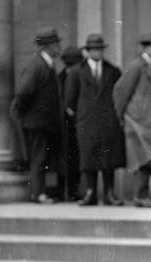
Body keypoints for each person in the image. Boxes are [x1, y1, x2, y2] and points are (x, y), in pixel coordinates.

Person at [65, 34, 126, 206]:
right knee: (88, 156)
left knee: (109, 157)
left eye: (100, 49)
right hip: (87, 121)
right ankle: (90, 192)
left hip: (108, 120)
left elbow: (120, 95)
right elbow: (69, 99)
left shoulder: (112, 71)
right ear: (88, 51)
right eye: (94, 49)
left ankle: (109, 192)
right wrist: (81, 114)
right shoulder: (77, 71)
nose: (97, 52)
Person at [112, 33, 151, 207]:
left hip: (148, 122)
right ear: (147, 48)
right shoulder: (137, 66)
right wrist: (124, 115)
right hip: (138, 122)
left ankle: (143, 195)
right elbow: (120, 91)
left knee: (149, 159)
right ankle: (140, 196)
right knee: (142, 159)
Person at [11, 27, 64, 204]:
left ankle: (40, 192)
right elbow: (23, 92)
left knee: (42, 158)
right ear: (48, 46)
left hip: (44, 122)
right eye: (56, 43)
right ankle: (37, 193)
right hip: (37, 122)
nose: (59, 47)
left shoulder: (45, 64)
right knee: (39, 158)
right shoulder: (37, 65)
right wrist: (25, 112)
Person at [58, 46, 84, 201]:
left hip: (75, 124)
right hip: (63, 125)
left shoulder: (61, 77)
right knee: (65, 160)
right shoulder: (60, 78)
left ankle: (73, 191)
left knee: (75, 159)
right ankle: (64, 191)